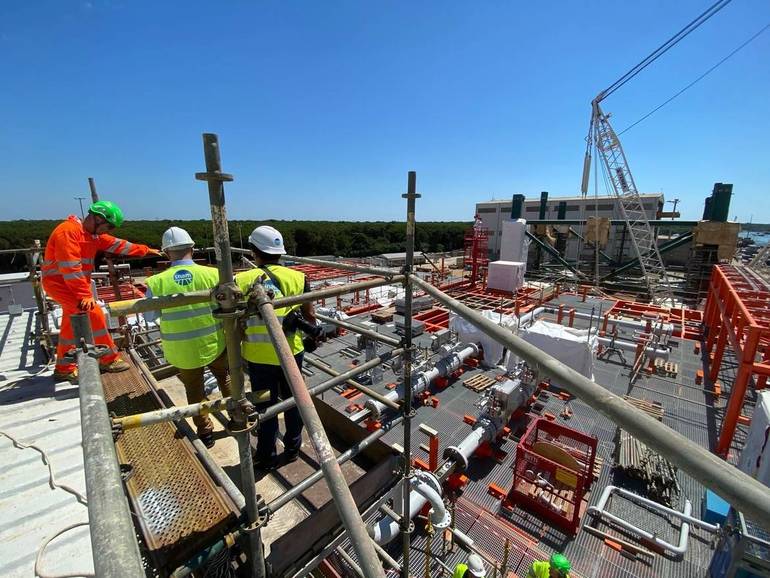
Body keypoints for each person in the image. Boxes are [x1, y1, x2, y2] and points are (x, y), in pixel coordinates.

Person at [43, 201, 161, 383]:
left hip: (72, 284)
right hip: (60, 284)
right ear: (97, 219)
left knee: (70, 322)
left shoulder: (90, 235)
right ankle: (108, 359)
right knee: (94, 312)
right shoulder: (68, 232)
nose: (109, 231)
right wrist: (84, 295)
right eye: (108, 226)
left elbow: (119, 245)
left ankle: (63, 368)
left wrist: (145, 251)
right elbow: (71, 269)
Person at [234, 225, 320, 470]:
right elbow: (309, 313)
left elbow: (234, 319)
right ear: (279, 252)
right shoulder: (299, 277)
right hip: (291, 353)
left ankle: (266, 456)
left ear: (253, 251)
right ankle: (293, 448)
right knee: (294, 402)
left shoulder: (241, 280)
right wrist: (312, 337)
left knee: (265, 407)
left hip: (258, 358)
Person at [144, 227, 230, 448]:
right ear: (192, 247)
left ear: (166, 252)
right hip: (214, 343)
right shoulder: (212, 275)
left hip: (182, 351)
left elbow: (149, 315)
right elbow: (228, 306)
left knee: (195, 392)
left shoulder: (157, 282)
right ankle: (238, 416)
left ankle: (206, 432)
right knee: (227, 380)